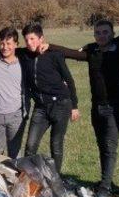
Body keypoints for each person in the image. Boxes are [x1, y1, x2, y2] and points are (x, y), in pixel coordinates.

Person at [48, 20, 119, 197]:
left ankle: (105, 188)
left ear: (113, 33)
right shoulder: (93, 51)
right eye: (98, 33)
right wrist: (49, 45)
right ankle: (106, 181)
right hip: (96, 106)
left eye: (105, 32)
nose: (101, 36)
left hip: (116, 106)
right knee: (101, 145)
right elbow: (70, 53)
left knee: (109, 146)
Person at [19, 23, 79, 174]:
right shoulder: (25, 55)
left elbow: (69, 80)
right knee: (30, 145)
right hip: (40, 107)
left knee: (56, 144)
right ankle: (29, 177)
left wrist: (74, 106)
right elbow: (4, 49)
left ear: (41, 39)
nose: (29, 43)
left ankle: (55, 178)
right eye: (26, 40)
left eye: (33, 39)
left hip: (60, 104)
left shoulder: (54, 55)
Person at [0, 27, 26, 159]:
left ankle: (15, 179)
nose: (5, 47)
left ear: (16, 44)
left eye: (9, 43)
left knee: (16, 155)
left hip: (16, 115)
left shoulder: (23, 63)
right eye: (2, 43)